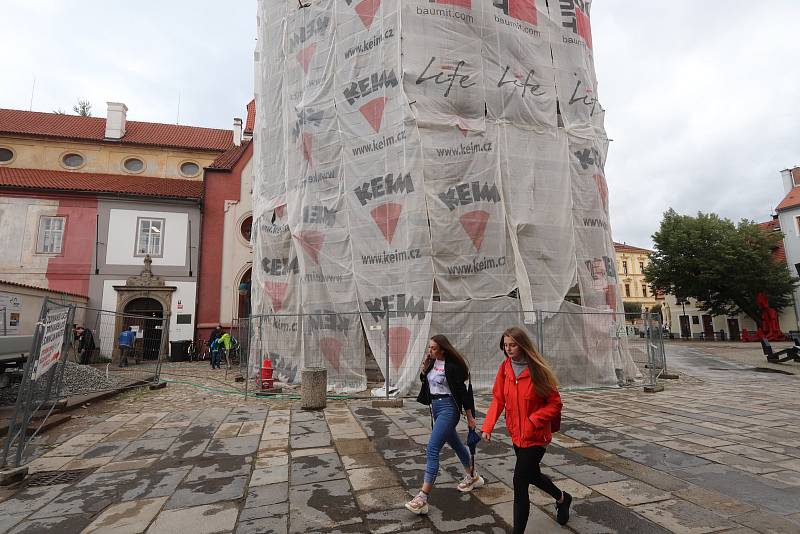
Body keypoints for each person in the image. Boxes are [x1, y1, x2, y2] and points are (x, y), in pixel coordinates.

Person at [481, 327, 571, 531]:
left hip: (536, 436)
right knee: (532, 475)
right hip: (516, 435)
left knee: (519, 481)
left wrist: (534, 419)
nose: (508, 349)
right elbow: (498, 399)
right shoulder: (505, 368)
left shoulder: (537, 370)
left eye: (512, 345)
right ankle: (562, 498)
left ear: (522, 345)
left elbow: (555, 403)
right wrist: (488, 426)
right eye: (505, 345)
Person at [405, 335, 483, 515]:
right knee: (455, 443)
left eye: (433, 348)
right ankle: (473, 476)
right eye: (429, 347)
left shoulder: (452, 366)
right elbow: (426, 382)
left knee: (432, 449)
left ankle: (422, 498)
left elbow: (463, 393)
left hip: (449, 409)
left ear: (442, 349)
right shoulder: (432, 363)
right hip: (436, 408)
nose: (429, 351)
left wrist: (470, 417)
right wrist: (424, 370)